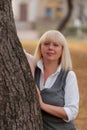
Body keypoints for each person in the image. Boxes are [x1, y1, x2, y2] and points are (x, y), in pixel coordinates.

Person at [33, 30, 79, 130]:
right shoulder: (33, 70)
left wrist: (42, 105)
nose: (50, 48)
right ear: (40, 47)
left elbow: (72, 112)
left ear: (62, 50)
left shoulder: (68, 76)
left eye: (56, 45)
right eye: (46, 44)